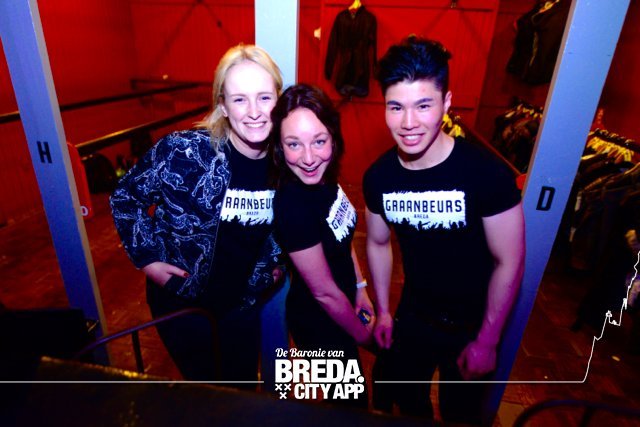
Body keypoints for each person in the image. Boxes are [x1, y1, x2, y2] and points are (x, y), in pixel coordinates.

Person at [363, 36, 525, 424]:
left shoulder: (487, 174)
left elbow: (510, 261)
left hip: (473, 325)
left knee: (461, 415)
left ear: (447, 103)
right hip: (414, 316)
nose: (408, 123)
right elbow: (378, 243)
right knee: (408, 405)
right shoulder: (379, 177)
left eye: (423, 105)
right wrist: (383, 311)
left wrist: (487, 341)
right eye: (396, 107)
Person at [110, 43, 284, 385]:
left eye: (264, 97)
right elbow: (125, 197)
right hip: (181, 303)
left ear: (279, 99)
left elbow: (300, 217)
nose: (254, 112)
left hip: (242, 305)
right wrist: (148, 259)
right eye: (239, 99)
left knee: (241, 388)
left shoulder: (287, 161)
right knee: (205, 391)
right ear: (222, 105)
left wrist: (276, 264)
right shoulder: (183, 151)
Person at [270, 84, 374, 407]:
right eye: (294, 144)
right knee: (351, 407)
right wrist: (364, 336)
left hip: (344, 307)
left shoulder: (324, 177)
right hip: (319, 323)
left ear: (333, 138)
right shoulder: (293, 206)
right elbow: (324, 293)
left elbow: (343, 234)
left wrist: (360, 288)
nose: (309, 158)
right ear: (280, 147)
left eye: (319, 141)